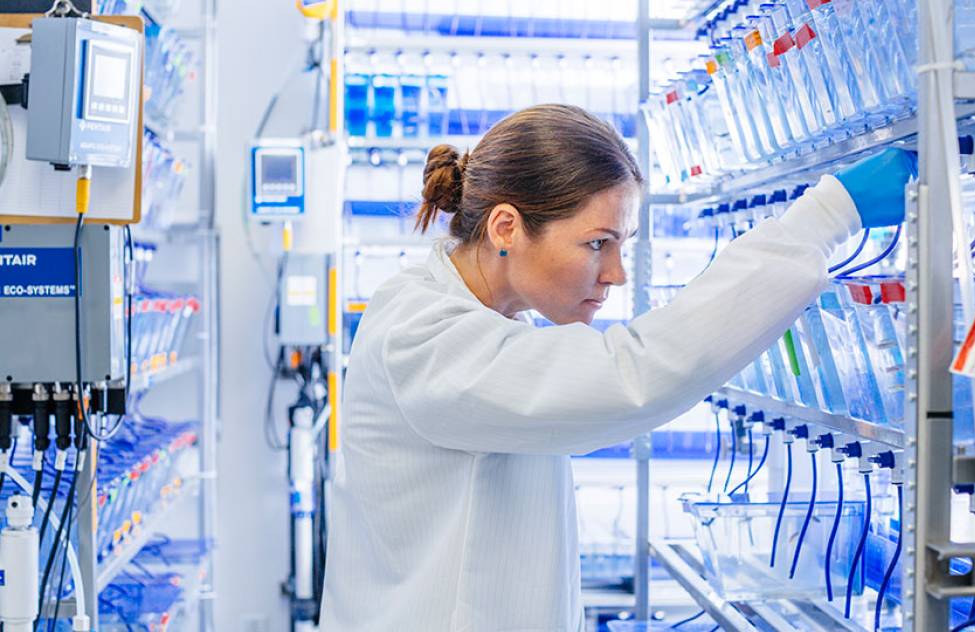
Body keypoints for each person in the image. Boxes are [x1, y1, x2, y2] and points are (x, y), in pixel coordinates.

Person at [320, 104, 916, 632]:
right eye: (596, 244)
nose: (616, 274)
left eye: (621, 245)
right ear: (506, 228)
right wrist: (827, 217)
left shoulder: (484, 321)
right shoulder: (423, 336)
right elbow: (634, 376)